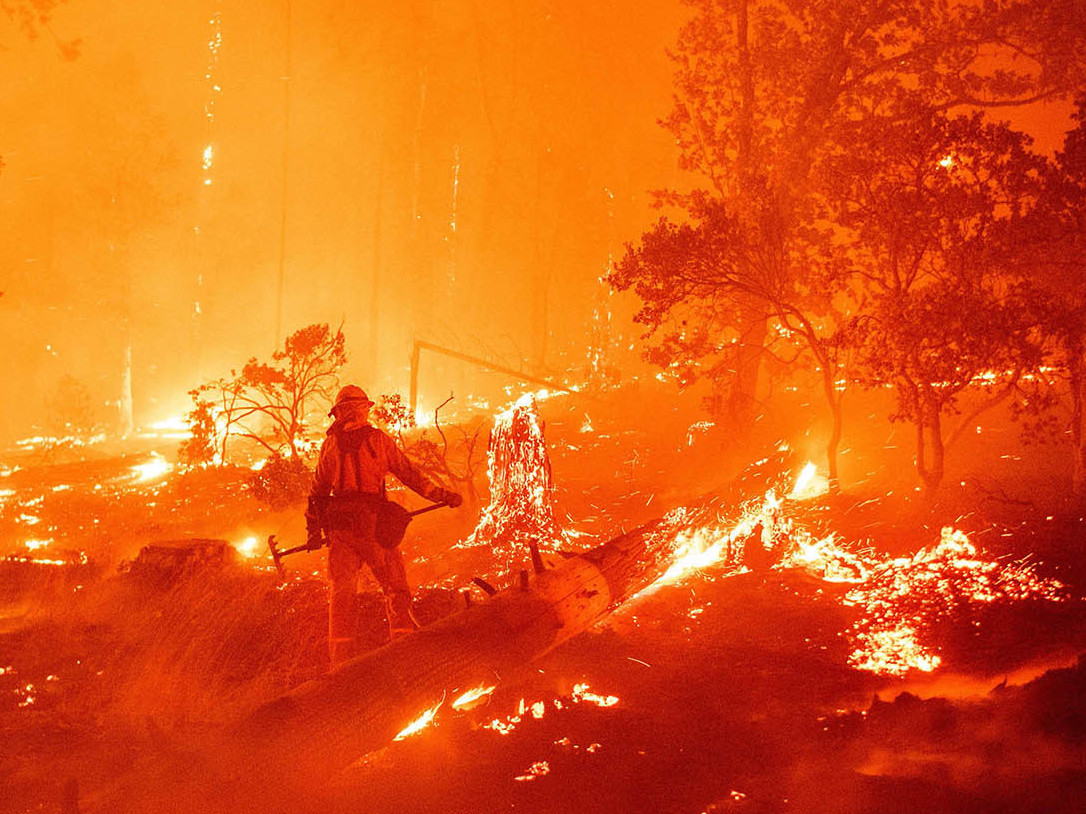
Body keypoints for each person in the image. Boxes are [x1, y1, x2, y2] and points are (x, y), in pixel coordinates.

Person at [306, 385, 462, 666]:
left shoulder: (330, 445)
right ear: (361, 409)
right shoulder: (378, 441)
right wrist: (442, 495)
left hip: (342, 532)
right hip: (374, 530)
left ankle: (339, 665)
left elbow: (317, 493)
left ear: (339, 412)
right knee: (396, 589)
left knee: (341, 597)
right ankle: (403, 653)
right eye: (361, 408)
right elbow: (409, 474)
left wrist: (314, 532)